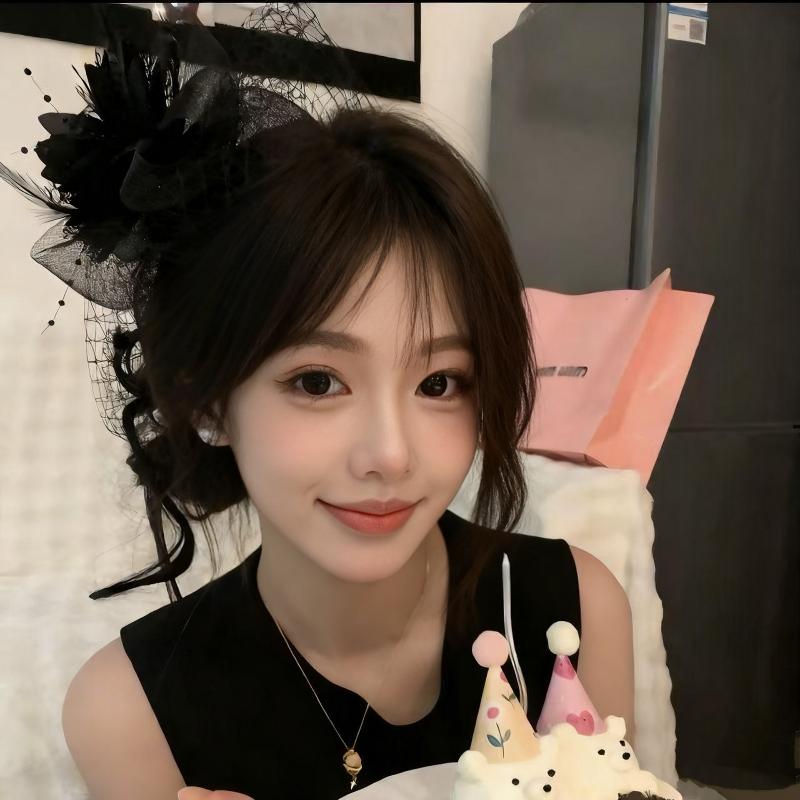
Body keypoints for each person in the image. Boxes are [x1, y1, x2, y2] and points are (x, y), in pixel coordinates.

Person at [1, 16, 633, 798]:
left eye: (440, 383)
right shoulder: (130, 714)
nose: (390, 455)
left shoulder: (577, 610)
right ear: (206, 398)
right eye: (316, 382)